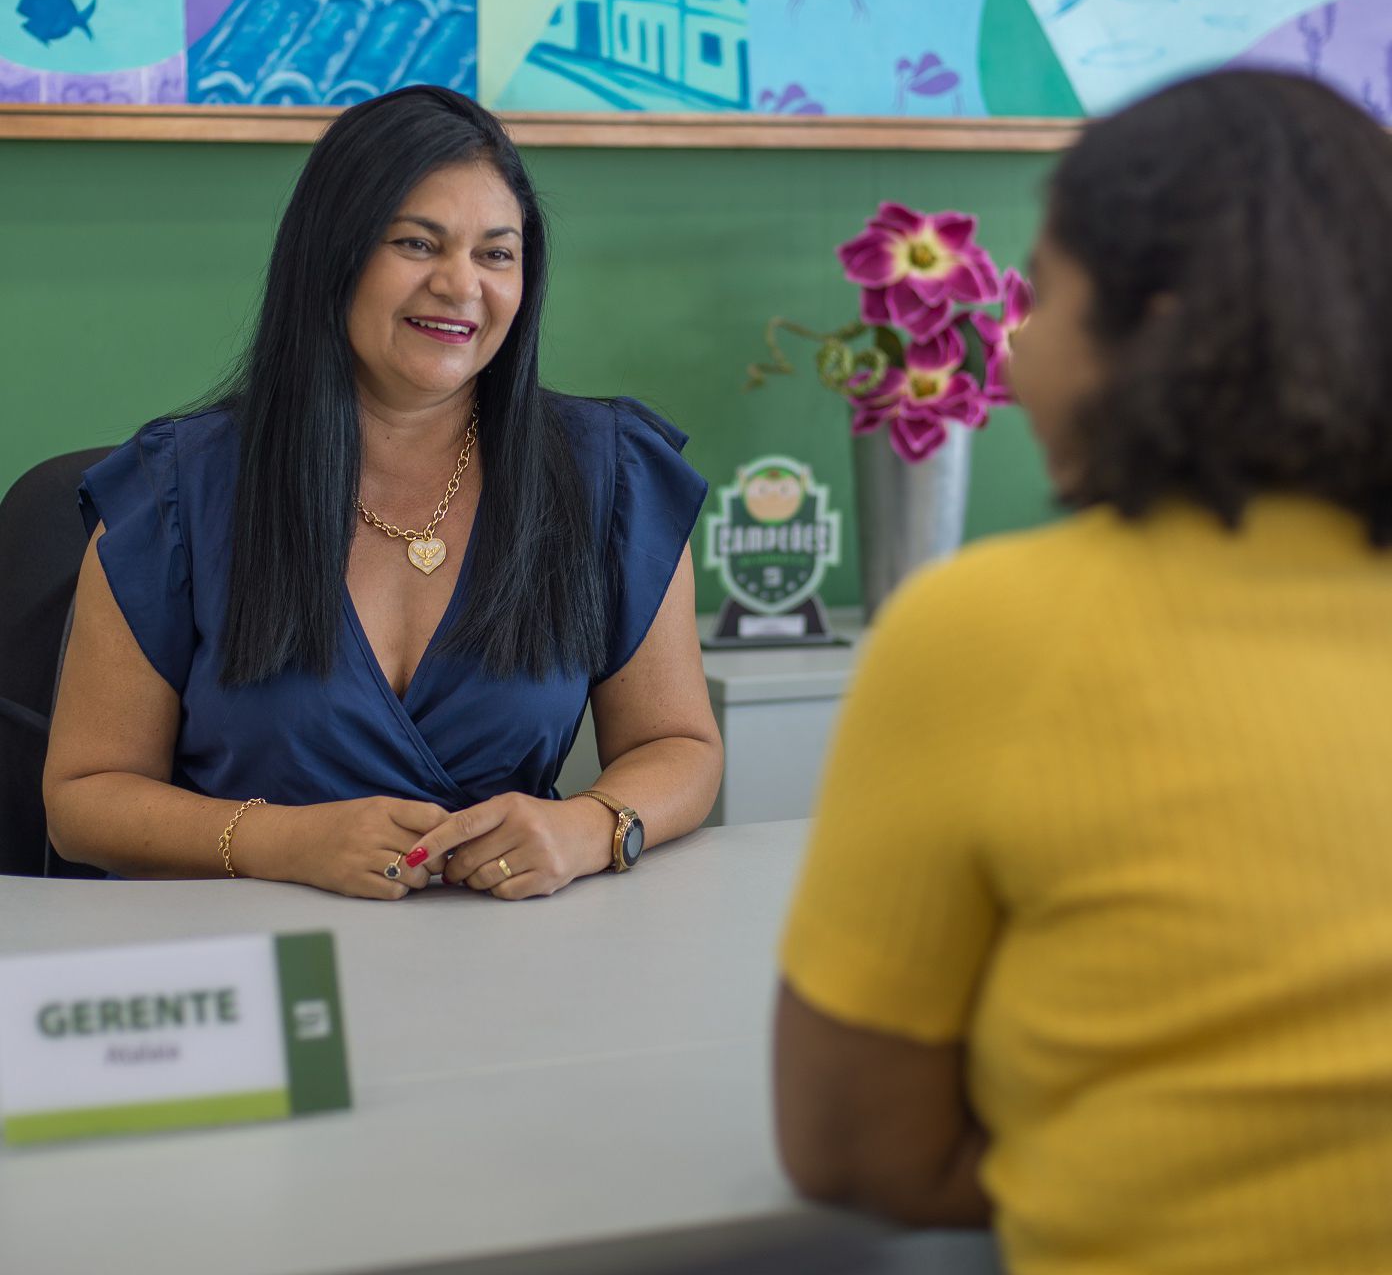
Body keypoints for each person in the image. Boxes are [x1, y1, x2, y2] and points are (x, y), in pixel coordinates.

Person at [774, 69, 1392, 1273]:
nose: (1007, 348)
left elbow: (855, 1152)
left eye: (1044, 295)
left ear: (1152, 331)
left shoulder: (986, 631)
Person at [45, 86, 723, 900]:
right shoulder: (176, 489)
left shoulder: (608, 472)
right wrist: (283, 840)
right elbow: (82, 798)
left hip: (513, 963)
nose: (460, 284)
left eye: (496, 253)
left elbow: (680, 744)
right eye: (417, 242)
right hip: (256, 959)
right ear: (335, 256)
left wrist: (590, 824)